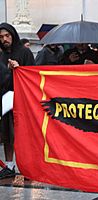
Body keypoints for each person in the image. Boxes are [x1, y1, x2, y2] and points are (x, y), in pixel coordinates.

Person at [0, 22, 35, 179]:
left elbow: (32, 74)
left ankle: (28, 166)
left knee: (23, 133)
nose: (4, 39)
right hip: (6, 98)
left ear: (13, 35)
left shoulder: (25, 52)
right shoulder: (1, 55)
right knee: (7, 133)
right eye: (1, 37)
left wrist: (19, 69)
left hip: (23, 99)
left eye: (7, 36)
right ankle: (9, 165)